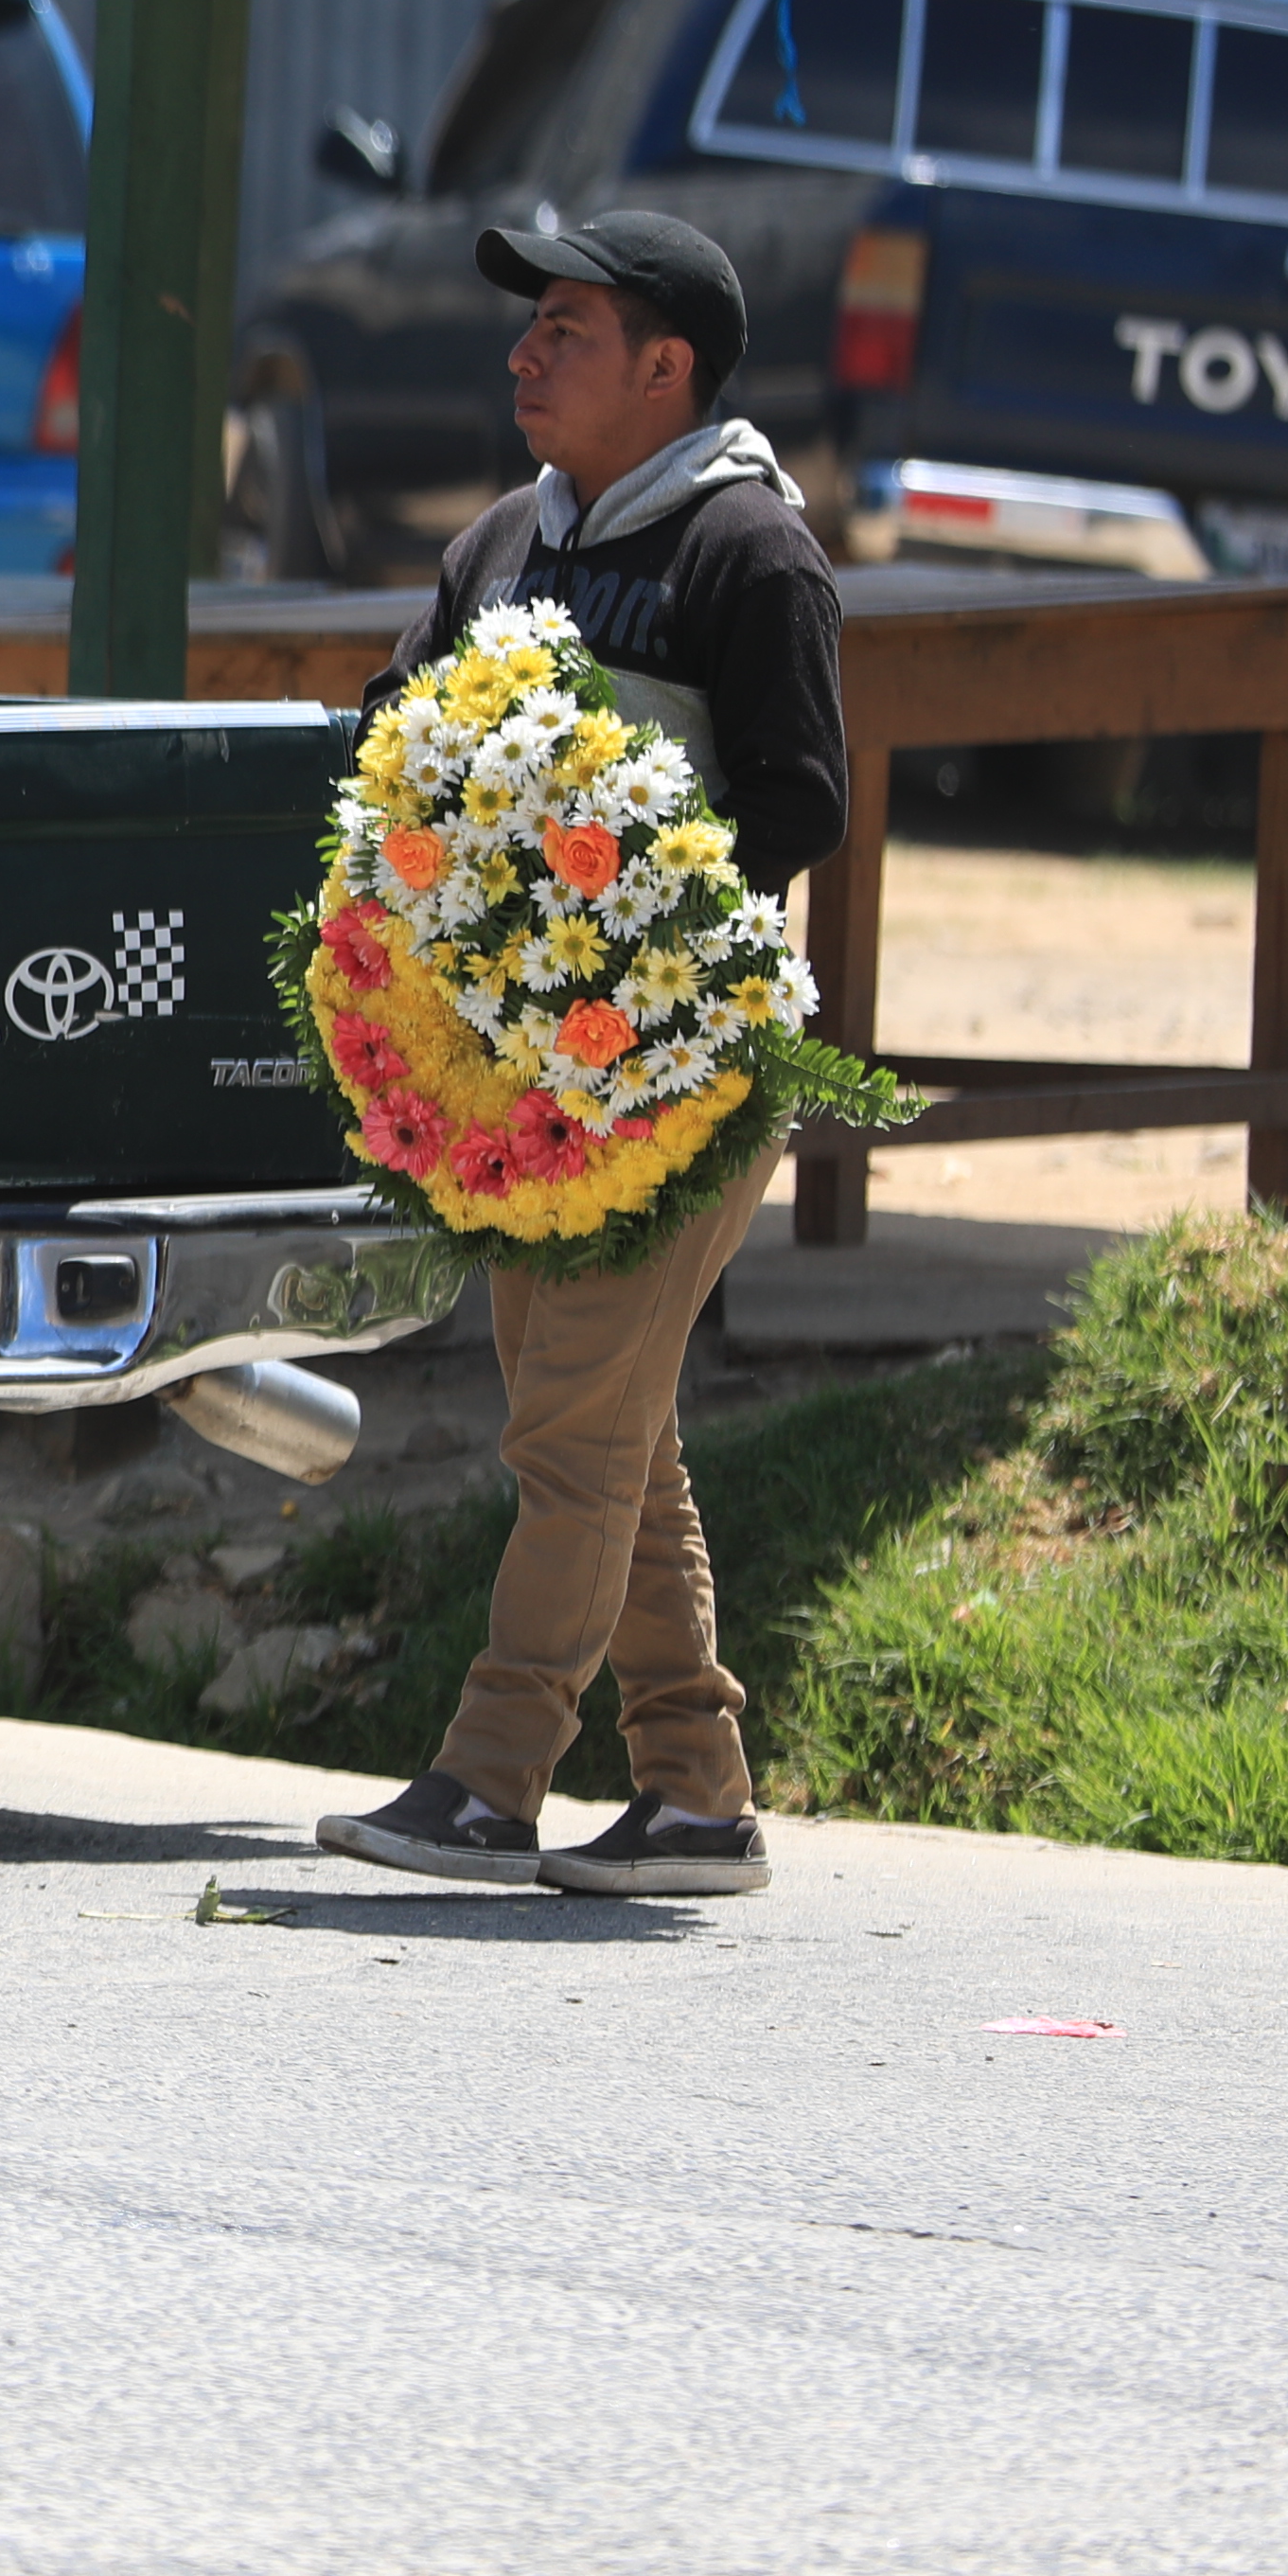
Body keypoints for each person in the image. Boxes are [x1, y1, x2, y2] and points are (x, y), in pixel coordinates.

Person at [318, 209, 842, 1899]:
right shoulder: (497, 543)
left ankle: (490, 1773)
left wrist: (603, 860)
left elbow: (799, 800)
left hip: (681, 1074)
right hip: (519, 1085)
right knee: (610, 1424)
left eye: (562, 326)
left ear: (665, 367)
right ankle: (694, 1793)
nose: (520, 354)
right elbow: (391, 747)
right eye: (526, 326)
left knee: (571, 1422)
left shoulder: (747, 551)